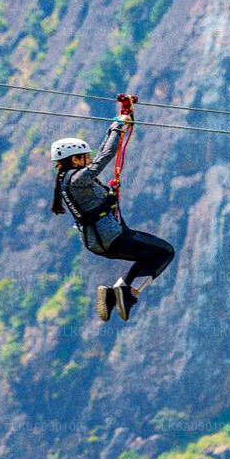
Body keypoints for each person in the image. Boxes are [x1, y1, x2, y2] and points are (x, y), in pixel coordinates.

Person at [50, 113, 174, 322]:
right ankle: (125, 291)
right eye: (85, 157)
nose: (89, 160)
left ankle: (114, 293)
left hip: (97, 242)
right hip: (112, 237)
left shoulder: (66, 181)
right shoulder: (79, 179)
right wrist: (117, 126)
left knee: (150, 254)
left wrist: (115, 125)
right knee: (166, 252)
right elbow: (106, 155)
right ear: (74, 159)